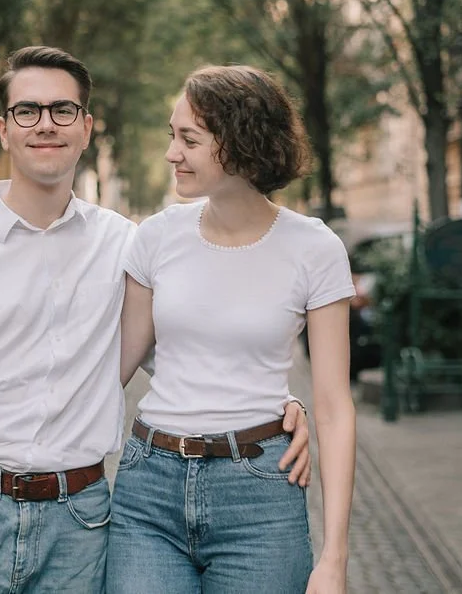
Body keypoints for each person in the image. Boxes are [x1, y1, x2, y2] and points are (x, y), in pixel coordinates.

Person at [0, 46, 312, 594]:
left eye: (63, 110)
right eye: (27, 111)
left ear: (86, 127)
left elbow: (186, 349)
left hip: (82, 523)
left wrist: (275, 405)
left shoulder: (126, 244)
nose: (45, 124)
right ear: (4, 130)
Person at [108, 64, 357, 594]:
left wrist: (333, 559)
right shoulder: (155, 237)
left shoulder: (314, 249)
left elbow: (335, 408)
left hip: (261, 496)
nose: (172, 153)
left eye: (189, 140)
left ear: (241, 144)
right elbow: (112, 367)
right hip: (148, 490)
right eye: (172, 136)